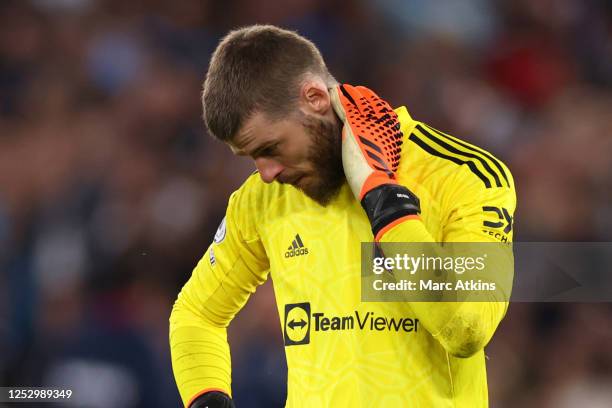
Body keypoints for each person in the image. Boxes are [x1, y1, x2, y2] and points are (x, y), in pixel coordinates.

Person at [170, 24, 516, 408]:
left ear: (315, 98)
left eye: (271, 148)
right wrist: (207, 397)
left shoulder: (464, 176)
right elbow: (196, 315)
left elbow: (467, 327)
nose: (265, 172)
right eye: (251, 157)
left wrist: (382, 198)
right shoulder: (263, 199)